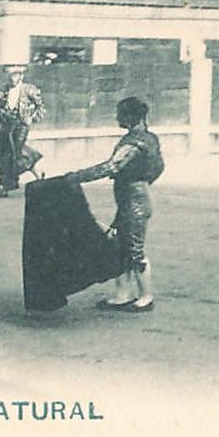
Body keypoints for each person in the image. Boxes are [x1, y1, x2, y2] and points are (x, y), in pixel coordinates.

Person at [65, 96, 165, 312]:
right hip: (135, 196)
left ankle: (146, 297)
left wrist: (75, 177)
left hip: (134, 200)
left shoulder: (134, 143)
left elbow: (111, 167)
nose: (117, 118)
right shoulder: (149, 138)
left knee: (134, 249)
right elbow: (159, 167)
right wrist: (143, 180)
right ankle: (123, 294)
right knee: (121, 246)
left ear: (131, 117)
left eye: (121, 114)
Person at [0, 63, 45, 197]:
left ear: (21, 76)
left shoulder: (29, 89)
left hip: (21, 125)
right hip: (6, 126)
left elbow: (41, 107)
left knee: (13, 152)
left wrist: (31, 119)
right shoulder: (5, 90)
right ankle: (37, 172)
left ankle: (4, 186)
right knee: (7, 153)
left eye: (15, 75)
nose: (12, 78)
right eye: (10, 75)